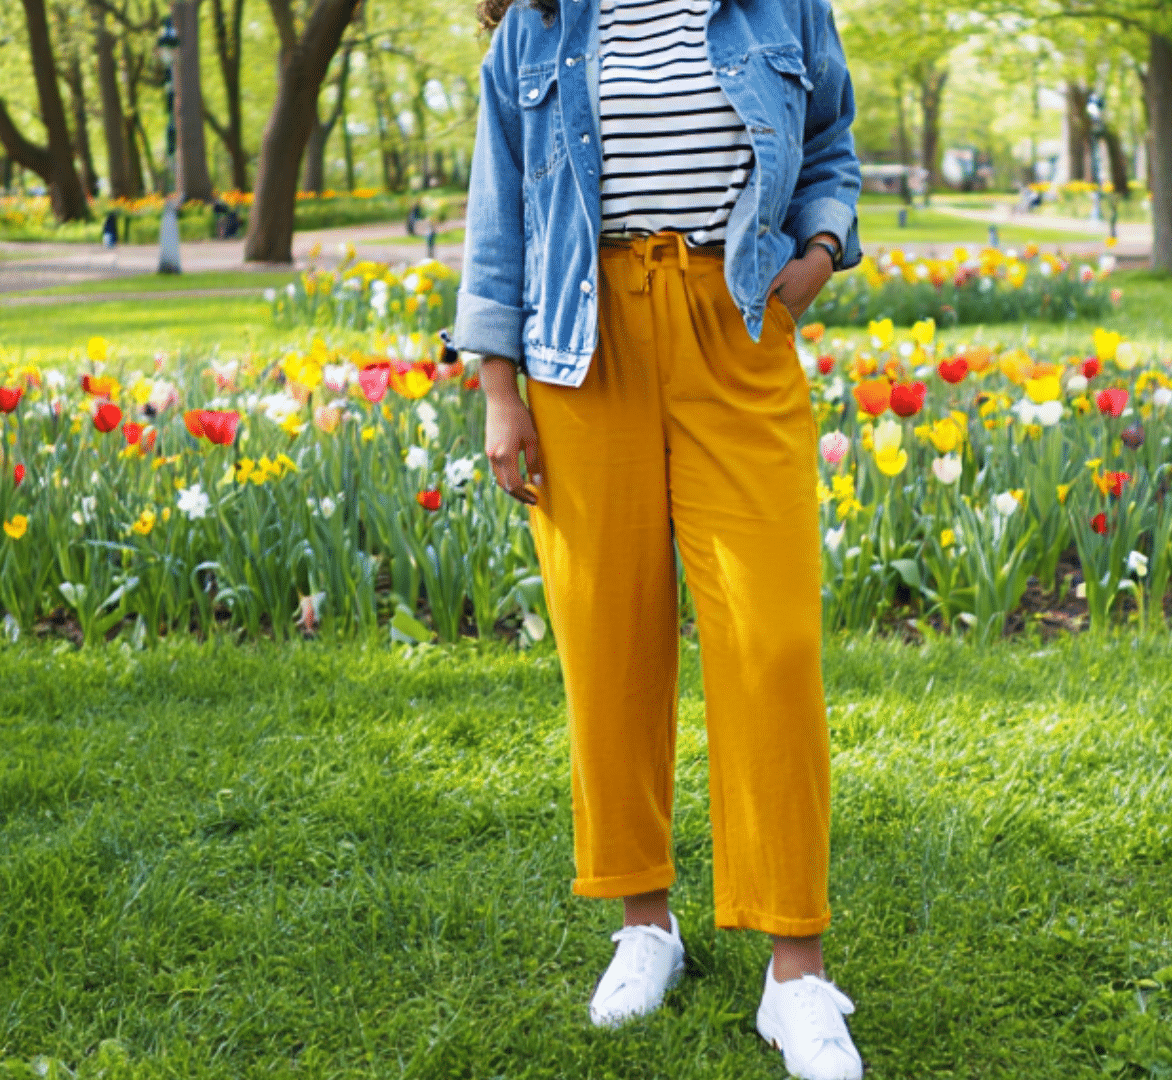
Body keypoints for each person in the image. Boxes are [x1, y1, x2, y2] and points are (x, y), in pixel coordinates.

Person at [454, 0, 862, 1076]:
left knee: (772, 642)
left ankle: (798, 975)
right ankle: (646, 926)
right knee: (609, 643)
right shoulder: (532, 30)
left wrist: (817, 254)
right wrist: (500, 390)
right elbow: (497, 219)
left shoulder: (782, 7)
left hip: (734, 329)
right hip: (581, 355)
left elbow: (831, 139)